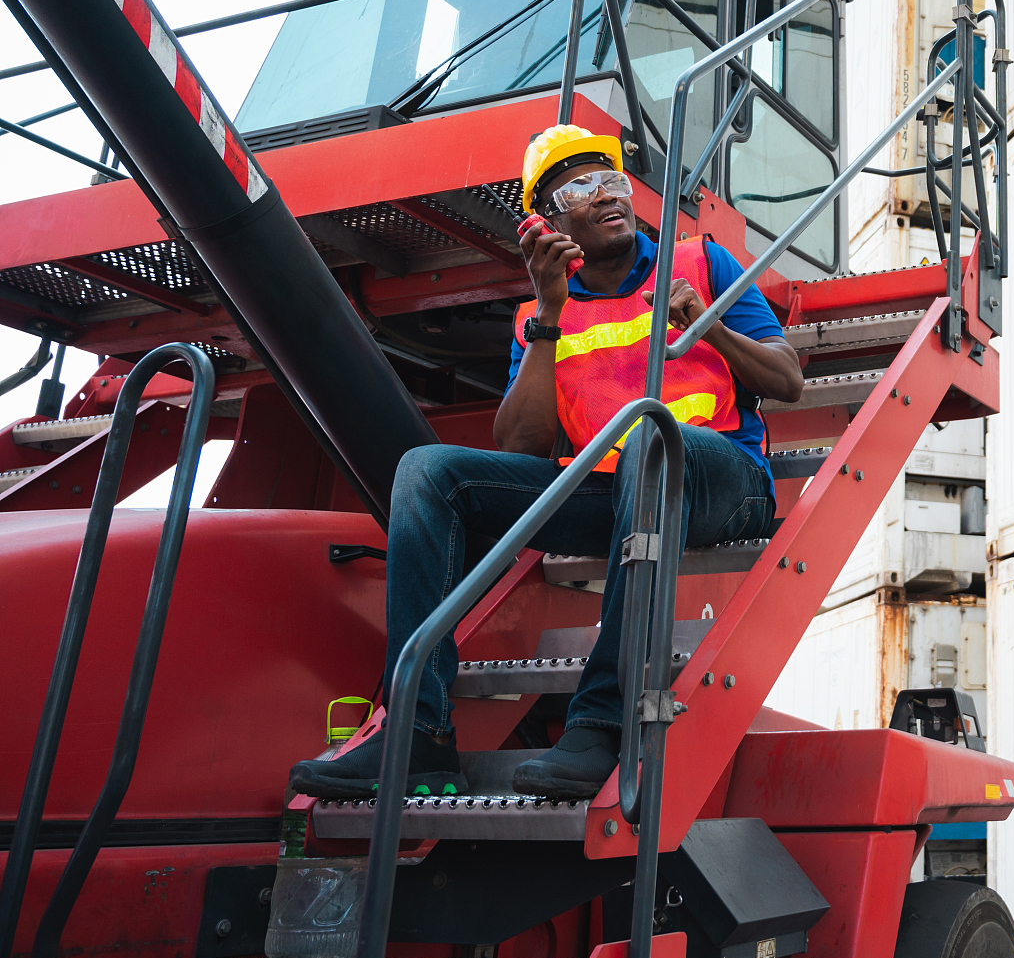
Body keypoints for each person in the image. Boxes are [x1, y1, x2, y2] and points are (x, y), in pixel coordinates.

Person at [289, 124, 803, 801]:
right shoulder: (538, 313)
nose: (606, 193)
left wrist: (709, 324)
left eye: (611, 178)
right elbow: (524, 447)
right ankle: (417, 732)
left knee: (650, 435)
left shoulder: (701, 262)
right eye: (580, 186)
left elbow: (789, 378)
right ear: (548, 221)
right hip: (617, 493)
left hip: (721, 480)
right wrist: (551, 315)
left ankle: (601, 717)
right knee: (427, 473)